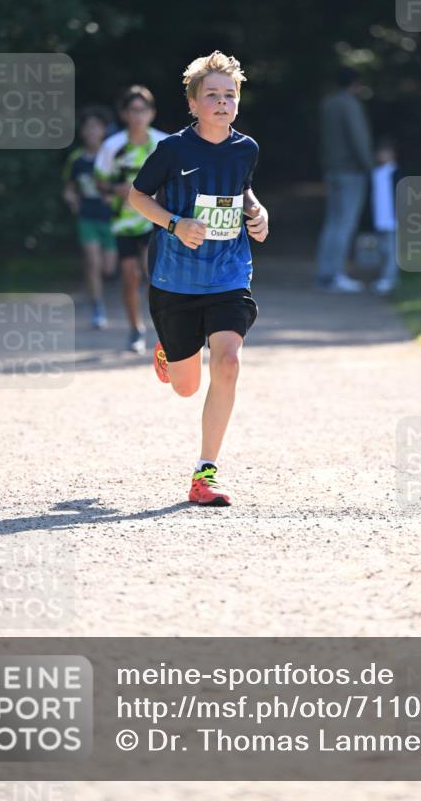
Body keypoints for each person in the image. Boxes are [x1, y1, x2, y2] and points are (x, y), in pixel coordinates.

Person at [128, 51, 268, 506]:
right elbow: (137, 196)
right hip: (175, 279)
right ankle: (169, 350)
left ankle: (205, 473)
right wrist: (174, 224)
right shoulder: (172, 149)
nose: (222, 103)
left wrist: (257, 211)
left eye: (230, 96)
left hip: (229, 272)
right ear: (193, 104)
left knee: (227, 361)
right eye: (212, 96)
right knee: (186, 386)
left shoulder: (246, 148)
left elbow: (242, 190)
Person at [94, 86, 168, 354]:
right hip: (124, 222)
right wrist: (117, 190)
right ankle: (135, 329)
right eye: (133, 110)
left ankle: (165, 331)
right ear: (125, 114)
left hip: (156, 220)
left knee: (155, 276)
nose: (139, 115)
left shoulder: (164, 143)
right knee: (129, 276)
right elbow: (99, 182)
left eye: (144, 110)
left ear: (152, 113)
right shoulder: (112, 146)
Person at [315, 66, 373, 293]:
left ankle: (325, 273)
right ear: (355, 83)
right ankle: (335, 275)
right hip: (351, 171)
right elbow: (358, 139)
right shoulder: (350, 105)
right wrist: (370, 167)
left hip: (332, 169)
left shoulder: (327, 103)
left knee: (332, 223)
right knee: (345, 224)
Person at [62, 106, 117, 328]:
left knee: (108, 269)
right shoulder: (76, 160)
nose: (92, 131)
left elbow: (126, 185)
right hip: (87, 218)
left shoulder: (113, 157)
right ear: (82, 132)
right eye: (88, 127)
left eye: (96, 127)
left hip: (111, 220)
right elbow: (68, 188)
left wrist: (114, 197)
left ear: (104, 130)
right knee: (91, 261)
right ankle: (97, 306)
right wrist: (72, 200)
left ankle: (102, 295)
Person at [371, 138, 402, 295]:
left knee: (391, 250)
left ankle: (390, 278)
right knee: (382, 249)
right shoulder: (376, 173)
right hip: (380, 218)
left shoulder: (396, 173)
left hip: (392, 219)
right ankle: (384, 277)